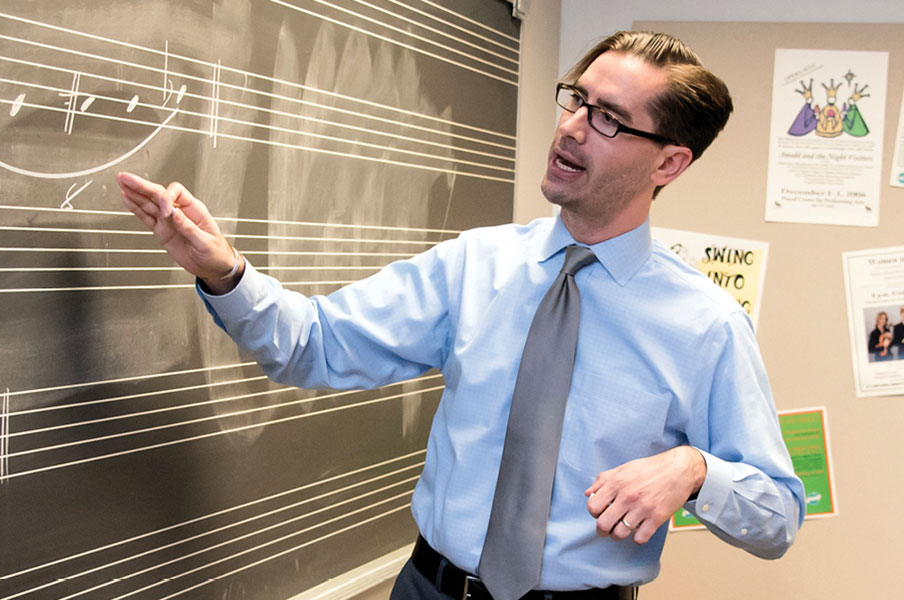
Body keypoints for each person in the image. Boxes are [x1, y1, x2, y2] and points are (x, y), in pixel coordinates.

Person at [118, 30, 804, 600]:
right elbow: (315, 344)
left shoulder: (706, 325)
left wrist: (693, 470)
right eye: (577, 100)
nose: (570, 129)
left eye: (608, 119)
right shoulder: (475, 266)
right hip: (429, 589)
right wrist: (224, 272)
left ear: (671, 161)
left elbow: (777, 515)